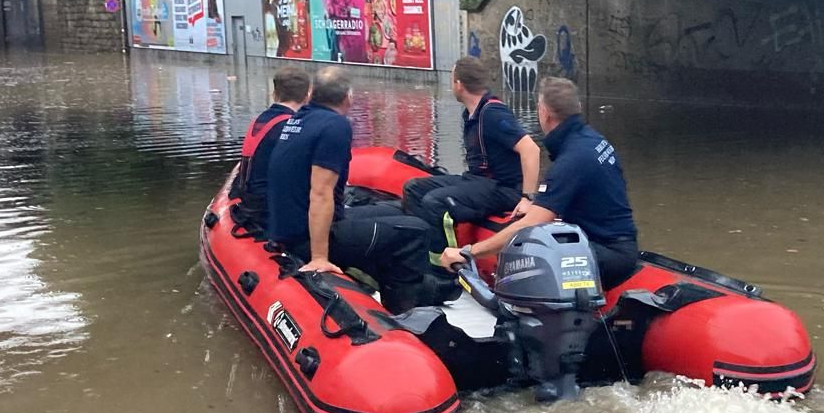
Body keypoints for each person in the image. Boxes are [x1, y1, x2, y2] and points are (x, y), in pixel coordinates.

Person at [439, 77, 639, 289]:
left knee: (526, 251)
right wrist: (532, 201)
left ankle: (515, 312)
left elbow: (529, 224)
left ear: (543, 111)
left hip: (607, 254)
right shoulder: (593, 140)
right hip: (616, 244)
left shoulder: (571, 159)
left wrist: (468, 251)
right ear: (577, 108)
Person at [267, 68, 434, 313]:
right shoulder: (335, 125)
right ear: (348, 97)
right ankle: (405, 315)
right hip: (305, 238)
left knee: (396, 210)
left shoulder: (301, 118)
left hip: (290, 226)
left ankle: (383, 281)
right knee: (416, 232)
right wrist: (319, 257)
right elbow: (320, 193)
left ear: (312, 94)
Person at [404, 57, 540, 263]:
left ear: (459, 84)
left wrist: (527, 197)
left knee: (436, 202)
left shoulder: (493, 113)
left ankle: (445, 267)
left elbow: (531, 150)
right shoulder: (470, 114)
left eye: (452, 81)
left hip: (502, 188)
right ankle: (418, 254)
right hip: (477, 180)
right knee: (413, 188)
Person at [232, 67, 311, 228]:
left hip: (250, 201)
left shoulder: (259, 120)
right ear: (307, 96)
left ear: (274, 94)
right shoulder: (293, 126)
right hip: (269, 209)